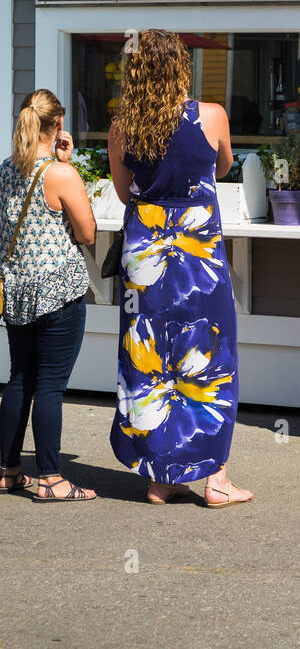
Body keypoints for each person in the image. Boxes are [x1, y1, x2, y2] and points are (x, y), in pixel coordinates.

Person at [107, 29, 252, 507]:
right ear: (180, 67)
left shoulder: (123, 126)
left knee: (149, 361)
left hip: (145, 252)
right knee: (208, 355)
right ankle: (215, 479)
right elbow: (224, 165)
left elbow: (125, 189)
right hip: (197, 253)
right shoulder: (210, 115)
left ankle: (160, 477)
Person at [0, 90, 97, 501]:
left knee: (20, 379)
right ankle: (52, 479)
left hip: (18, 292)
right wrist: (66, 165)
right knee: (51, 386)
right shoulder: (60, 175)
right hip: (58, 294)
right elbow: (87, 233)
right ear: (57, 125)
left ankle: (7, 471)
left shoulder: (6, 169)